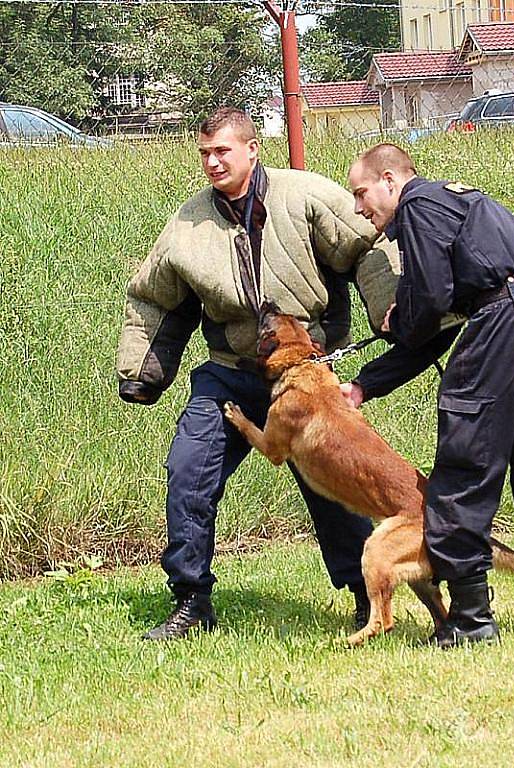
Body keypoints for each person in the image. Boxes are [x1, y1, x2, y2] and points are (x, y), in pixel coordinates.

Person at [116, 108, 402, 640]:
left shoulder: (305, 196)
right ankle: (191, 601)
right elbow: (155, 298)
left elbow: (370, 244)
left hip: (307, 378)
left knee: (333, 487)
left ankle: (367, 594)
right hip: (231, 375)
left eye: (222, 150)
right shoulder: (187, 225)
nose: (212, 162)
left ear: (252, 149)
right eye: (204, 153)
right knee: (188, 473)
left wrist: (390, 308)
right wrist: (142, 369)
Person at [343, 143, 514, 648]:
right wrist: (367, 382)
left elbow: (429, 303)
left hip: (505, 322)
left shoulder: (417, 205)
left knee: (465, 458)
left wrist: (402, 318)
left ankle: (471, 618)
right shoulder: (459, 205)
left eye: (361, 192)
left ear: (390, 180)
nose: (358, 207)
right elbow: (439, 320)